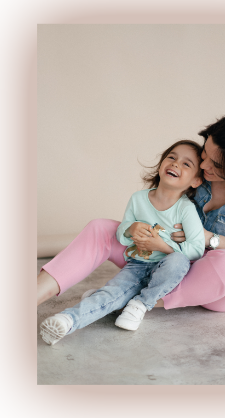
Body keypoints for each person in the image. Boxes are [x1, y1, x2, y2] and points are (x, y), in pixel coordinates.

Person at [37, 114, 225, 316]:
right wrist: (136, 228)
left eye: (217, 165)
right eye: (205, 154)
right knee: (100, 228)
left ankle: (128, 300)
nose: (203, 165)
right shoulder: (196, 174)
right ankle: (37, 293)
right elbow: (156, 202)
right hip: (158, 260)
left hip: (210, 283)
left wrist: (210, 239)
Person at [40, 140, 205, 345]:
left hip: (169, 271)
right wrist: (130, 228)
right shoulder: (138, 199)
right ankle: (66, 321)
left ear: (196, 181)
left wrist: (161, 247)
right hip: (137, 264)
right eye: (171, 157)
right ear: (161, 164)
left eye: (186, 164)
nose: (176, 163)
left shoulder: (186, 209)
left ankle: (140, 304)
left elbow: (197, 249)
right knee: (112, 293)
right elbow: (121, 235)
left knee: (178, 261)